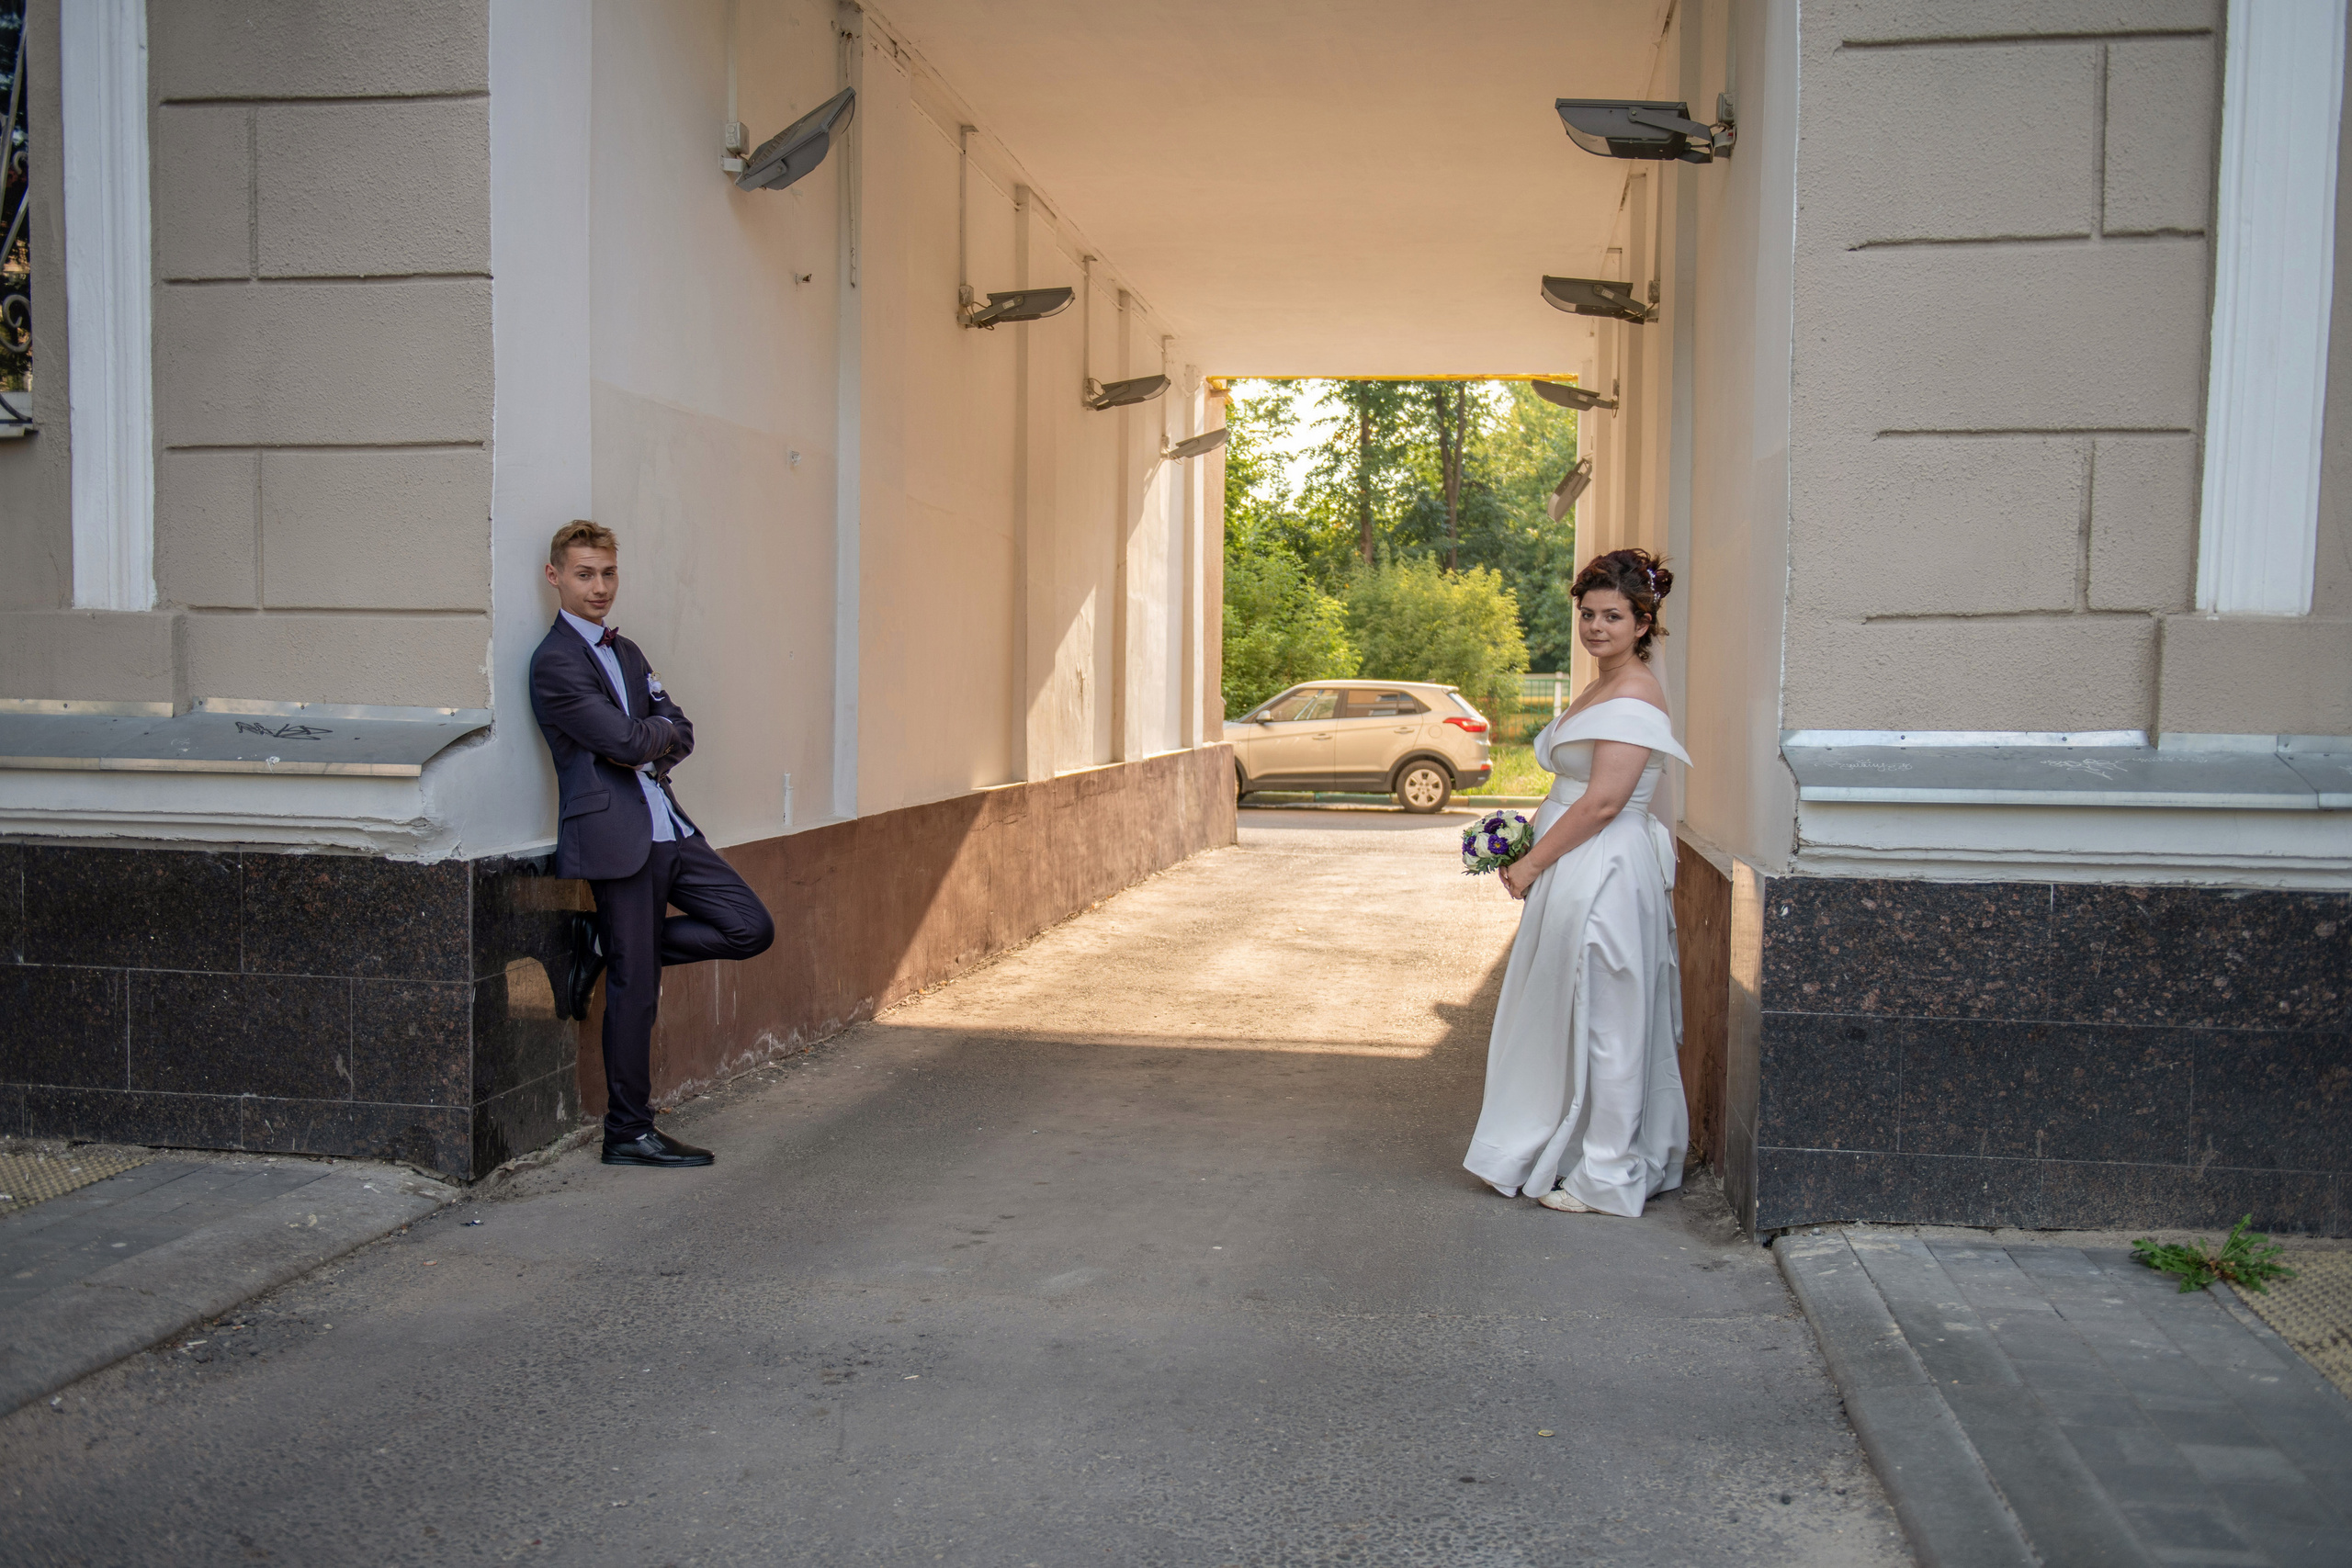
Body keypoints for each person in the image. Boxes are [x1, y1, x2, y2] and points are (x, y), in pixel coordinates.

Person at [530, 520, 775, 1168]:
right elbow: (630, 742)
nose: (599, 586)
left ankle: (606, 944)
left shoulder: (629, 652)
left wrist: (650, 731)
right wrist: (651, 730)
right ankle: (627, 1131)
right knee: (636, 991)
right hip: (616, 837)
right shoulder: (555, 662)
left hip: (669, 825)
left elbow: (682, 731)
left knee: (750, 926)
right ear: (555, 576)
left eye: (608, 573)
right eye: (584, 573)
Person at [1464, 547, 1690, 1215]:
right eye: (1588, 613)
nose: (1596, 626)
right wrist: (1525, 846)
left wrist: (1533, 861)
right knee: (1571, 1008)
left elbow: (1603, 801)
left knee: (1608, 1014)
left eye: (1613, 616)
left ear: (1643, 622)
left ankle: (1609, 1171)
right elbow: (1570, 787)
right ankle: (1572, 1146)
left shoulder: (1637, 692)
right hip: (1577, 858)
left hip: (1607, 866)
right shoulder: (1598, 683)